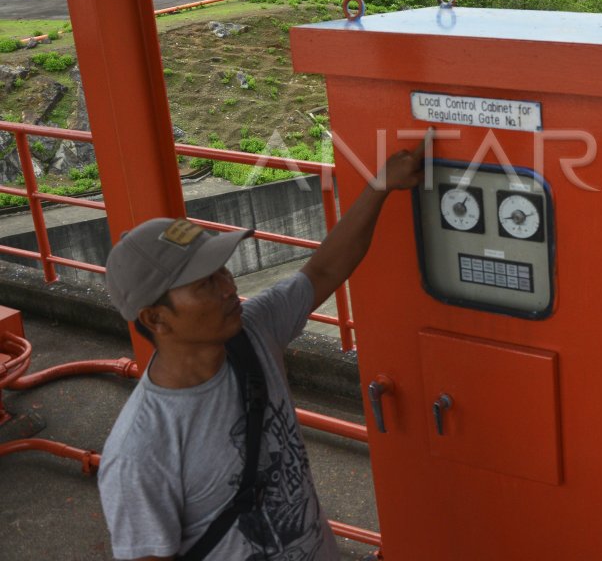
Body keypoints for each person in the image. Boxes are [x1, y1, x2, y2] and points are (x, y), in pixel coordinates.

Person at [97, 140, 425, 560]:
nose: (229, 288)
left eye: (222, 271)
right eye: (206, 284)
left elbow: (325, 268)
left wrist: (379, 187)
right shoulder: (140, 452)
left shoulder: (252, 331)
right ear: (155, 319)